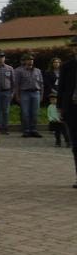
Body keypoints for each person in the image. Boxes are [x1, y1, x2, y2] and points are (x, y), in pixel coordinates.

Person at [57, 37, 77, 184]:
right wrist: (60, 108)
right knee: (76, 144)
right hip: (72, 108)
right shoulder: (67, 66)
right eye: (75, 46)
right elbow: (61, 88)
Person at [14, 54, 43, 137]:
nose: (31, 61)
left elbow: (41, 84)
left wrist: (41, 95)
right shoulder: (19, 71)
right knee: (25, 112)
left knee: (35, 112)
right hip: (25, 93)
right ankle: (26, 130)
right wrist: (17, 96)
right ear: (25, 61)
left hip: (36, 92)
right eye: (28, 59)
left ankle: (34, 129)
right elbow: (17, 85)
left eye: (32, 59)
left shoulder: (38, 71)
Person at [0, 51, 14, 135]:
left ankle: (5, 128)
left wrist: (12, 93)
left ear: (4, 58)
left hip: (7, 92)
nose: (0, 59)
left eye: (2, 57)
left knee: (6, 111)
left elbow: (13, 81)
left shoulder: (9, 68)